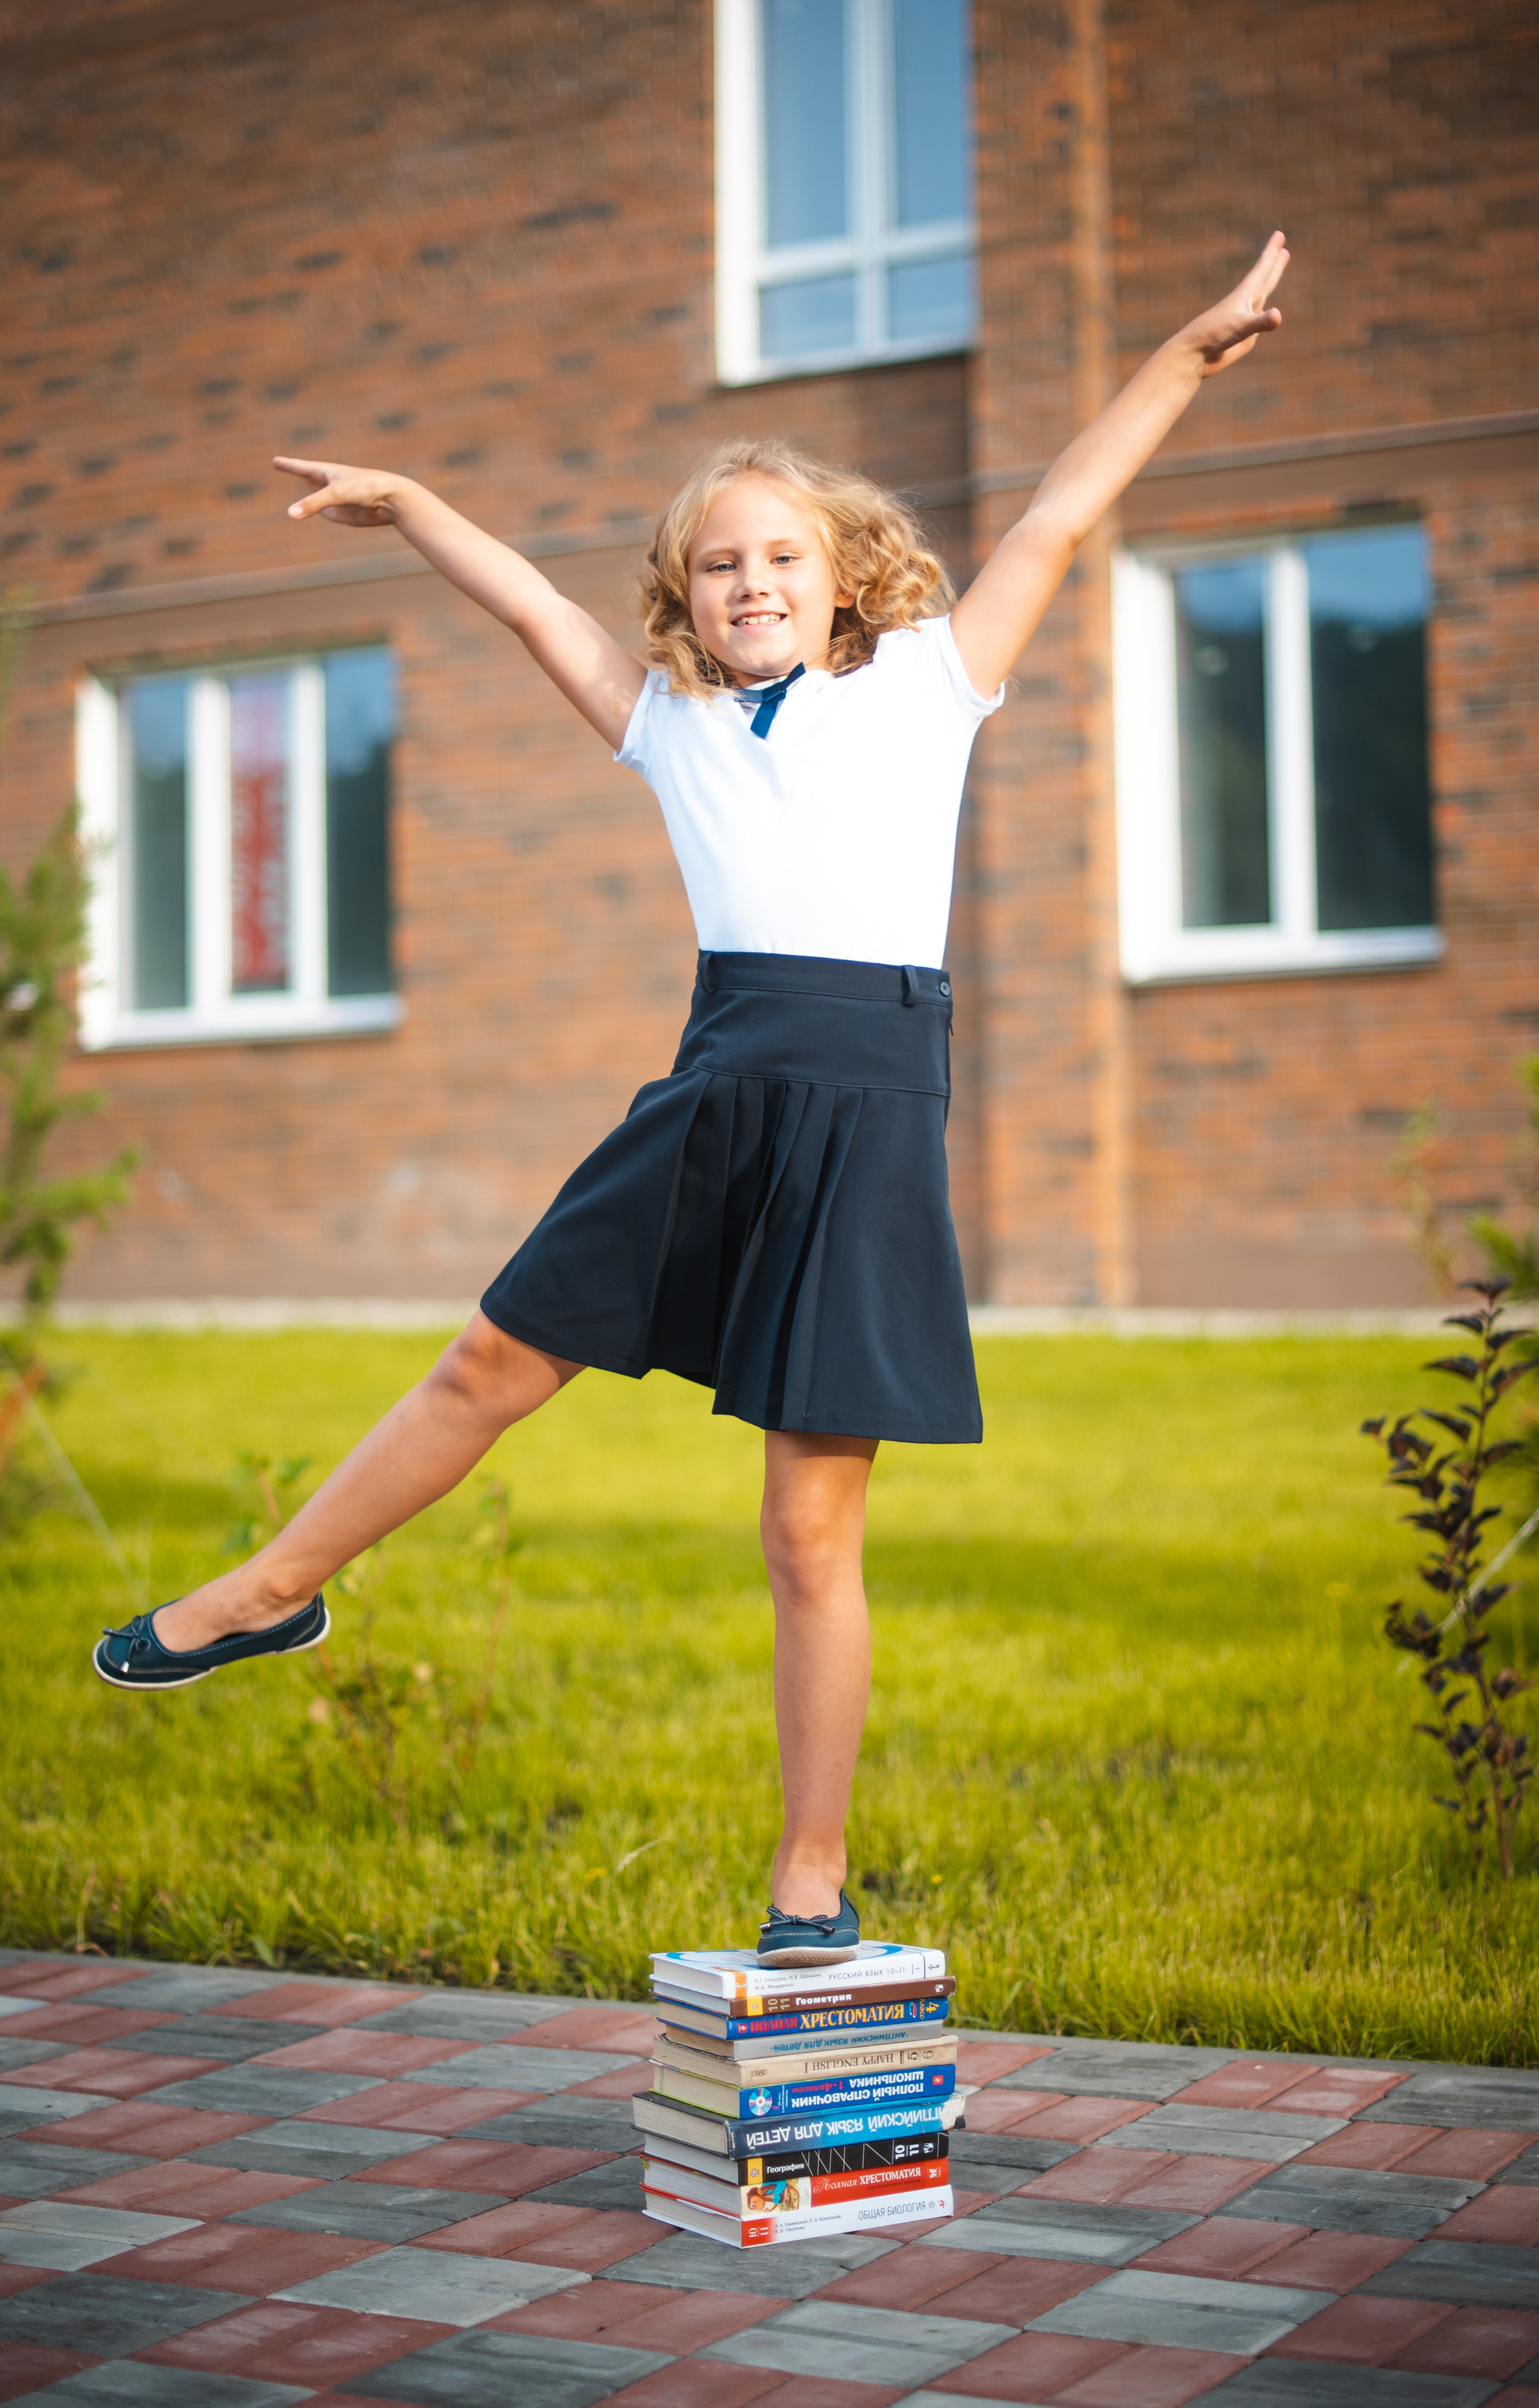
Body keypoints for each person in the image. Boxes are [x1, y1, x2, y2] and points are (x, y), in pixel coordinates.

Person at [95, 234, 1290, 1967]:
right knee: (488, 1360)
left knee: (807, 1526)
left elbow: (1050, 520)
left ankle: (810, 1884)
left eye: (781, 558)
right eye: (716, 564)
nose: (748, 582)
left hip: (870, 1102)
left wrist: (1183, 355)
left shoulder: (929, 688)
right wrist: (419, 503)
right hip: (719, 1087)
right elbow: (530, 608)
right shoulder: (665, 724)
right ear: (686, 596)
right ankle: (269, 1591)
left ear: (843, 578)